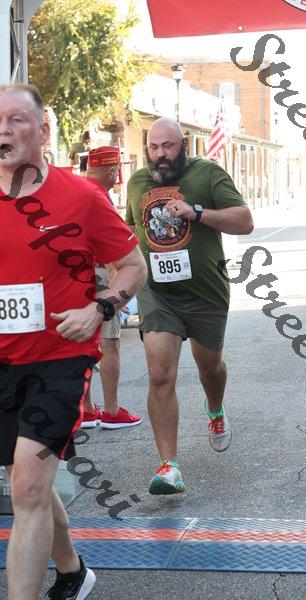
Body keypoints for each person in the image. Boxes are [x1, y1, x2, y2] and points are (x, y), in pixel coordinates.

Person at [0, 84, 147, 600]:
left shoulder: (81, 197)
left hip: (60, 358)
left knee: (27, 486)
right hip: (3, 361)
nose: (3, 130)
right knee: (28, 482)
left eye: (16, 120)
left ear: (43, 132)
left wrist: (99, 308)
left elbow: (133, 266)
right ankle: (73, 571)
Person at [125, 117, 253, 495]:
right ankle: (169, 467)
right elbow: (129, 229)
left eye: (168, 146)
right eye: (153, 147)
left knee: (209, 368)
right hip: (158, 294)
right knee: (160, 375)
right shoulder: (137, 182)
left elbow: (244, 221)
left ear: (183, 144)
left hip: (205, 292)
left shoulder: (207, 174)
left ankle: (215, 410)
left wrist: (197, 212)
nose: (160, 154)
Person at [80, 146, 142, 429]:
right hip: (98, 273)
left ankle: (87, 409)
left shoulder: (76, 190)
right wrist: (120, 288)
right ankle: (111, 411)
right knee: (109, 342)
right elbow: (118, 250)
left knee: (83, 342)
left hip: (74, 275)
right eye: (116, 170)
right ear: (111, 171)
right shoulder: (99, 197)